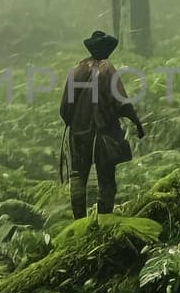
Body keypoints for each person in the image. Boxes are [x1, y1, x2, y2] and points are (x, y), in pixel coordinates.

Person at [60, 30, 145, 219]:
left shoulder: (76, 70)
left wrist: (74, 123)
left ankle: (79, 220)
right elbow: (121, 101)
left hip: (78, 133)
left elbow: (65, 108)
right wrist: (136, 122)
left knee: (78, 176)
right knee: (106, 179)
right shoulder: (107, 68)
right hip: (103, 132)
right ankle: (104, 220)